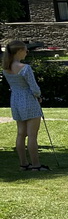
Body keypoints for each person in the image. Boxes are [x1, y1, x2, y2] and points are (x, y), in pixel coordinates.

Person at [2, 40, 48, 171]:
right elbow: (34, 88)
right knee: (32, 135)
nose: (27, 53)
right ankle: (36, 165)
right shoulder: (25, 68)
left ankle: (23, 164)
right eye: (25, 50)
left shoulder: (6, 69)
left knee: (21, 134)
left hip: (15, 101)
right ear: (19, 51)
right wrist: (39, 96)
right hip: (28, 100)